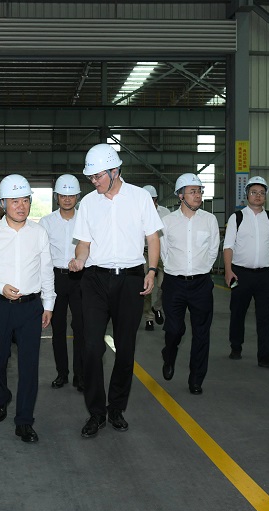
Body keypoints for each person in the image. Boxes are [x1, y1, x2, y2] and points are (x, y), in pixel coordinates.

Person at [68, 143, 163, 438]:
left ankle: (116, 408)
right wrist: (79, 260)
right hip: (95, 279)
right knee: (91, 347)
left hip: (130, 279)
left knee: (125, 348)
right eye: (91, 177)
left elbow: (153, 238)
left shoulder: (140, 198)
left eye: (97, 176)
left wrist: (151, 270)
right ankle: (96, 412)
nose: (93, 182)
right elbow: (83, 243)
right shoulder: (89, 203)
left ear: (114, 171)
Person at [0, 174, 55, 443]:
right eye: (15, 201)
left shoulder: (39, 233)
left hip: (30, 308)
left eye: (25, 200)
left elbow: (46, 270)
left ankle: (24, 421)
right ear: (3, 204)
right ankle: (1, 397)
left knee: (29, 366)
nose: (21, 206)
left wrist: (48, 303)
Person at [160, 173, 220, 395]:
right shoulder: (167, 222)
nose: (198, 195)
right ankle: (169, 354)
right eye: (193, 191)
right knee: (174, 329)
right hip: (174, 283)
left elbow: (213, 250)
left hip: (201, 284)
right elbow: (164, 252)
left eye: (199, 191)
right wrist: (175, 269)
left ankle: (196, 379)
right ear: (180, 195)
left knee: (201, 333)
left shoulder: (209, 220)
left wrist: (201, 268)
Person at [223, 176, 269, 369]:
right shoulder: (237, 218)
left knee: (265, 317)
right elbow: (228, 246)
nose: (258, 196)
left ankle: (265, 356)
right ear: (247, 195)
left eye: (261, 193)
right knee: (237, 312)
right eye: (254, 192)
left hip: (265, 275)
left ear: (265, 196)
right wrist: (228, 271)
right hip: (240, 274)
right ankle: (236, 346)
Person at [39, 174, 85, 391]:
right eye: (63, 195)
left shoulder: (85, 220)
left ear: (77, 197)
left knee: (80, 327)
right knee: (58, 328)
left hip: (80, 279)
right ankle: (62, 373)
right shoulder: (46, 222)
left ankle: (80, 375)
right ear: (56, 197)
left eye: (71, 195)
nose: (67, 199)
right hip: (56, 278)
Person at [142, 184, 169, 331]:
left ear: (156, 199)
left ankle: (157, 307)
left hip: (161, 252)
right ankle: (149, 318)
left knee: (164, 285)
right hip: (144, 252)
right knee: (147, 285)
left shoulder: (165, 213)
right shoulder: (137, 211)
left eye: (151, 199)